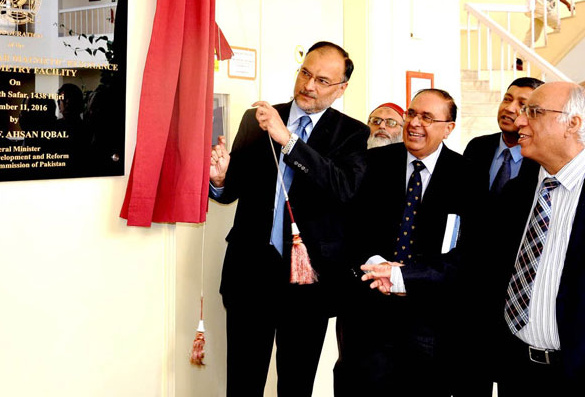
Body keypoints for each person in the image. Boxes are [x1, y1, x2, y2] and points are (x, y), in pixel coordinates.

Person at [209, 41, 369, 397]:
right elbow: (233, 188)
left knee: (296, 384)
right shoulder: (258, 118)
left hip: (308, 283)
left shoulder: (352, 133)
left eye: (323, 80)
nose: (309, 85)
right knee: (242, 381)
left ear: (341, 88)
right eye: (306, 73)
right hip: (250, 274)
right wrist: (220, 178)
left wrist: (288, 140)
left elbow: (342, 187)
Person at [334, 89, 484, 397]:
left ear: (449, 128)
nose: (415, 123)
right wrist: (376, 265)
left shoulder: (468, 176)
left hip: (429, 323)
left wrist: (402, 276)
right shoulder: (372, 162)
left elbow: (467, 252)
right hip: (368, 314)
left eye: (427, 117)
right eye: (412, 114)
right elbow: (350, 226)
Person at [484, 81, 585, 396]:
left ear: (573, 123)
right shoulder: (518, 191)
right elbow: (483, 263)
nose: (519, 121)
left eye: (534, 112)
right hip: (517, 372)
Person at [464, 77, 543, 194]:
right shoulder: (477, 146)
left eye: (522, 104)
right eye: (507, 99)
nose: (509, 108)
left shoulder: (541, 159)